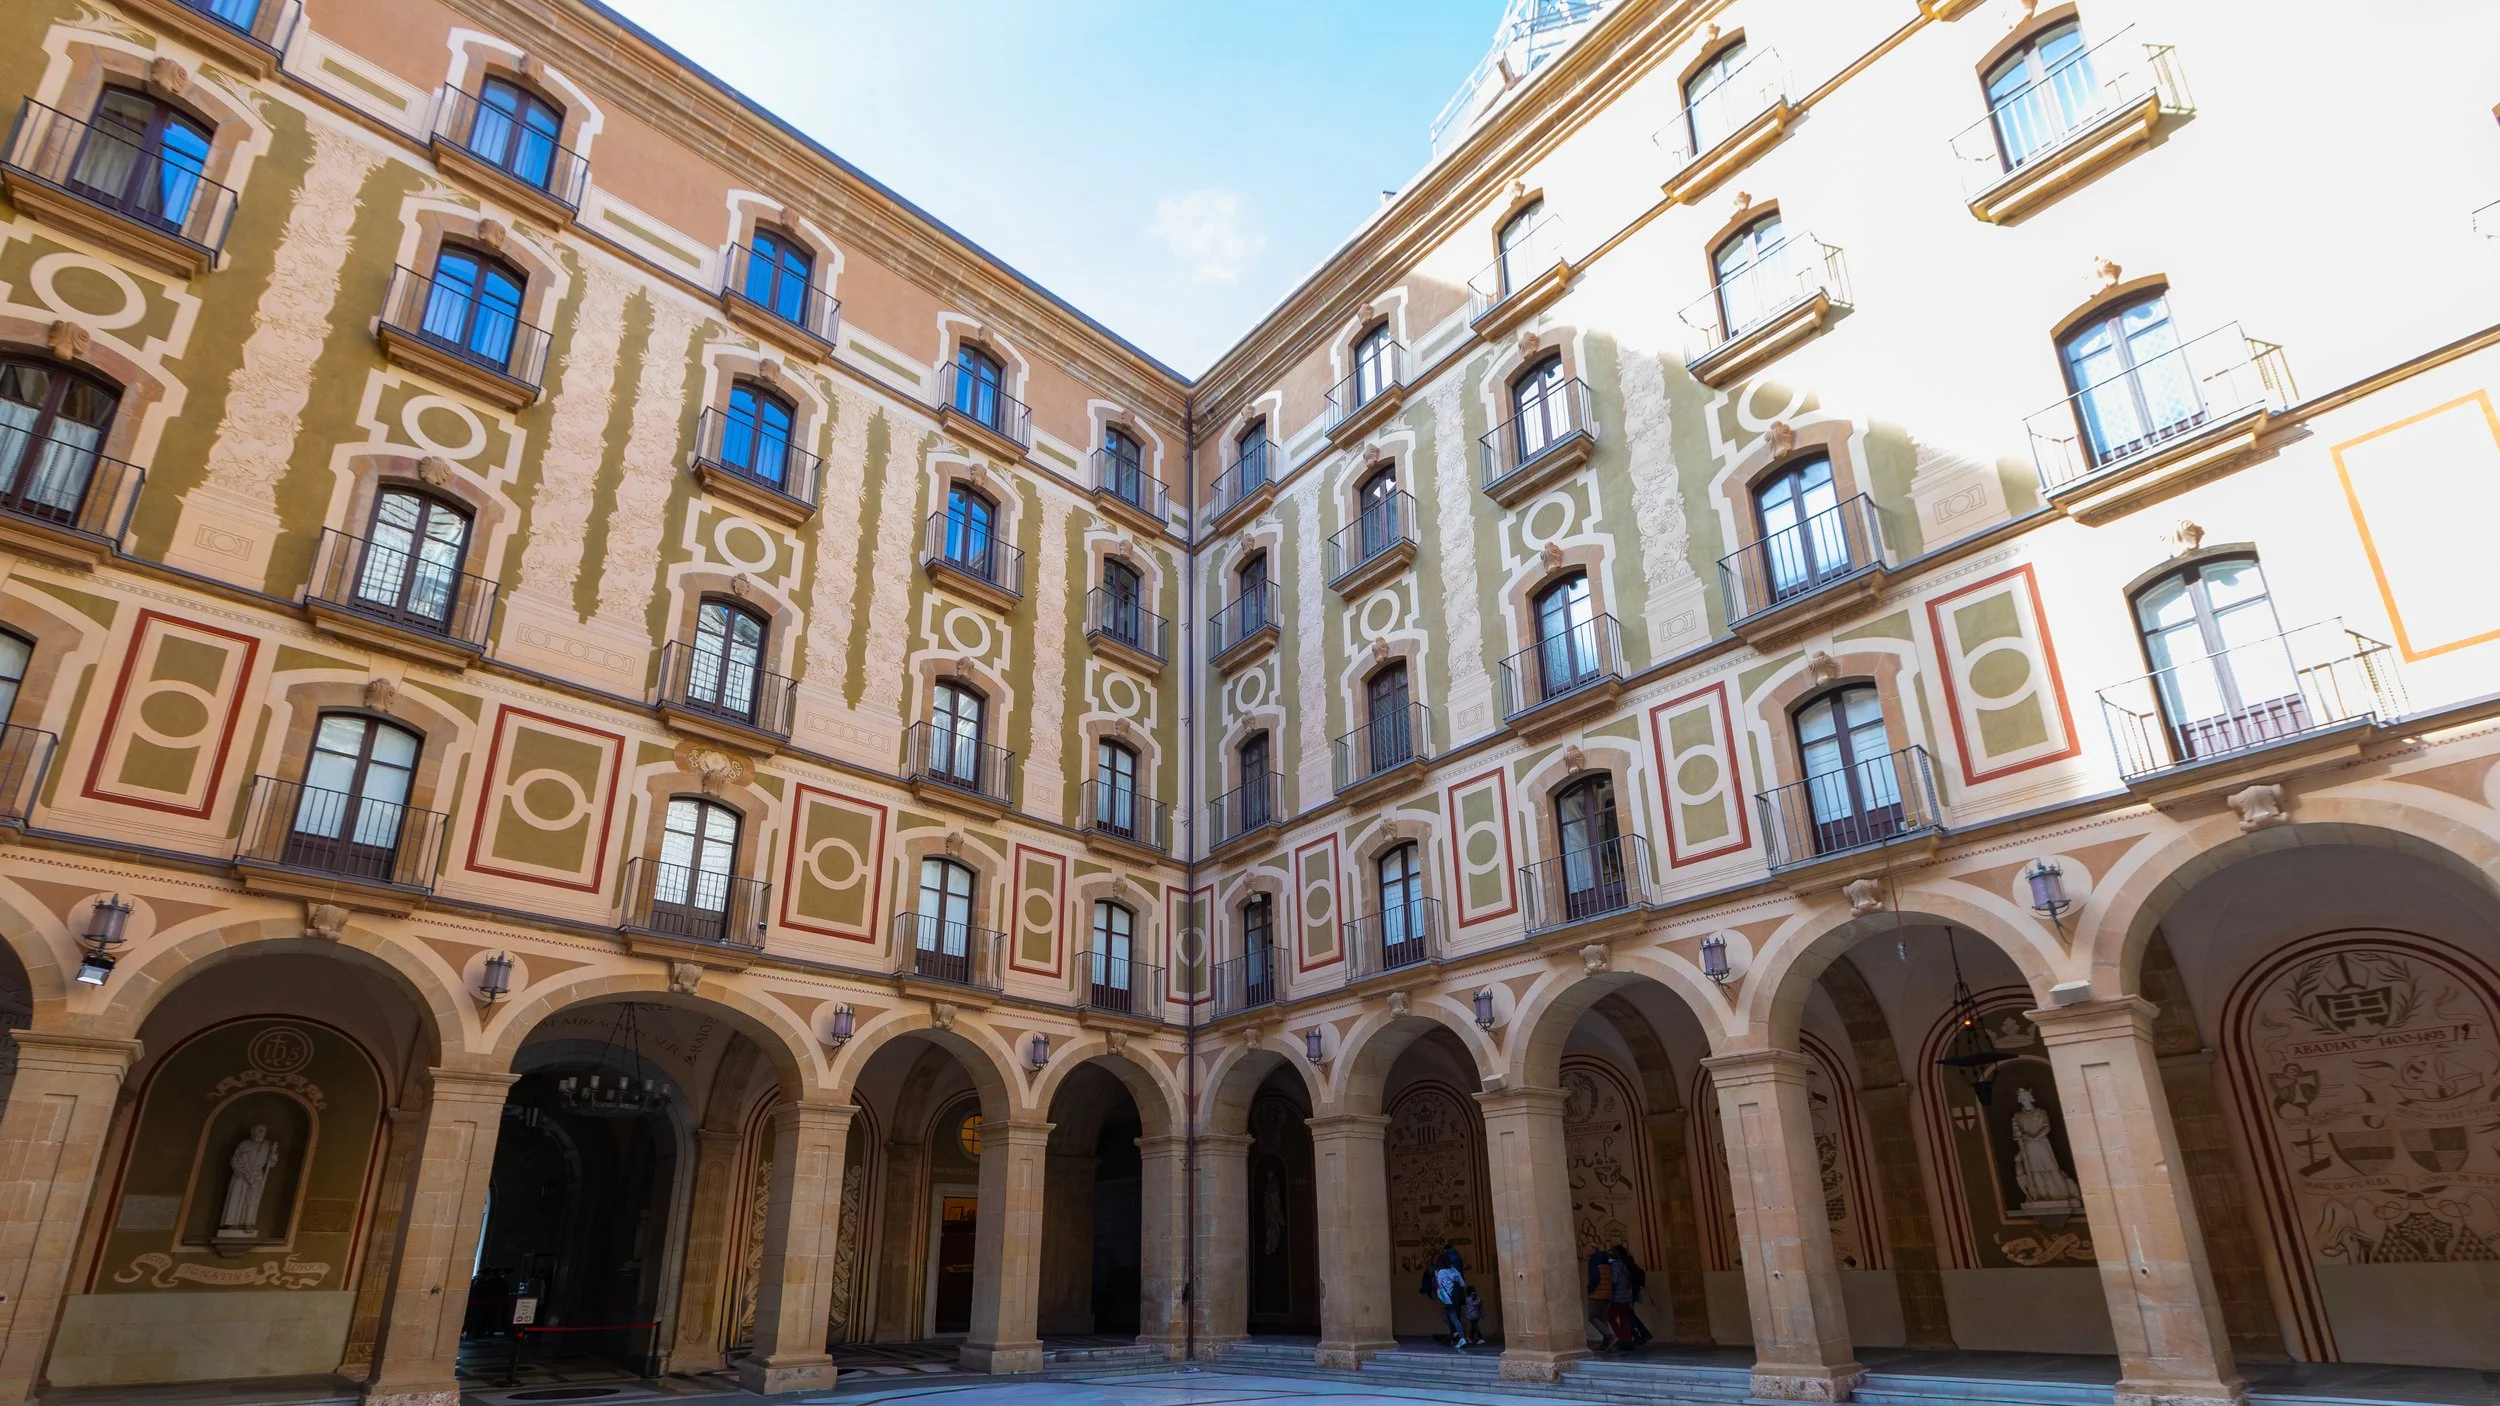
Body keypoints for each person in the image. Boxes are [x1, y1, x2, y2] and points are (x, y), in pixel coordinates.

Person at [1606, 1243, 1645, 1350]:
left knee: (1610, 1317)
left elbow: (1614, 1280)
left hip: (1617, 1297)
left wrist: (1608, 1288)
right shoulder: (1624, 1265)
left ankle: (1621, 1337)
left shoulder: (1614, 1266)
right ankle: (1627, 1338)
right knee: (1624, 1317)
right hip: (1626, 1296)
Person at [1429, 1248, 1470, 1349]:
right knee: (1447, 1316)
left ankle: (1461, 1337)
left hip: (1449, 1299)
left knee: (1453, 1318)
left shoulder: (1441, 1272)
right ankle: (1457, 1334)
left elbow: (1439, 1285)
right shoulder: (1454, 1270)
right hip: (1457, 1297)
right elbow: (1462, 1283)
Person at [1585, 1246, 1622, 1350]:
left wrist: (1590, 1289)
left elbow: (1595, 1277)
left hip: (1597, 1293)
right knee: (1602, 1318)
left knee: (1592, 1317)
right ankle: (1607, 1343)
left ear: (1592, 1250)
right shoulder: (1607, 1260)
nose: (1585, 1251)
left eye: (1587, 1249)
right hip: (1607, 1293)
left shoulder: (1593, 1260)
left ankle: (1610, 1337)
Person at [1460, 1284, 1486, 1348]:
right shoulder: (1476, 1297)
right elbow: (1479, 1303)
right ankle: (1470, 1338)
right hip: (1477, 1314)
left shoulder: (1467, 1298)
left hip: (1471, 1315)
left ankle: (1481, 1338)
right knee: (1473, 1326)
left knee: (1475, 1326)